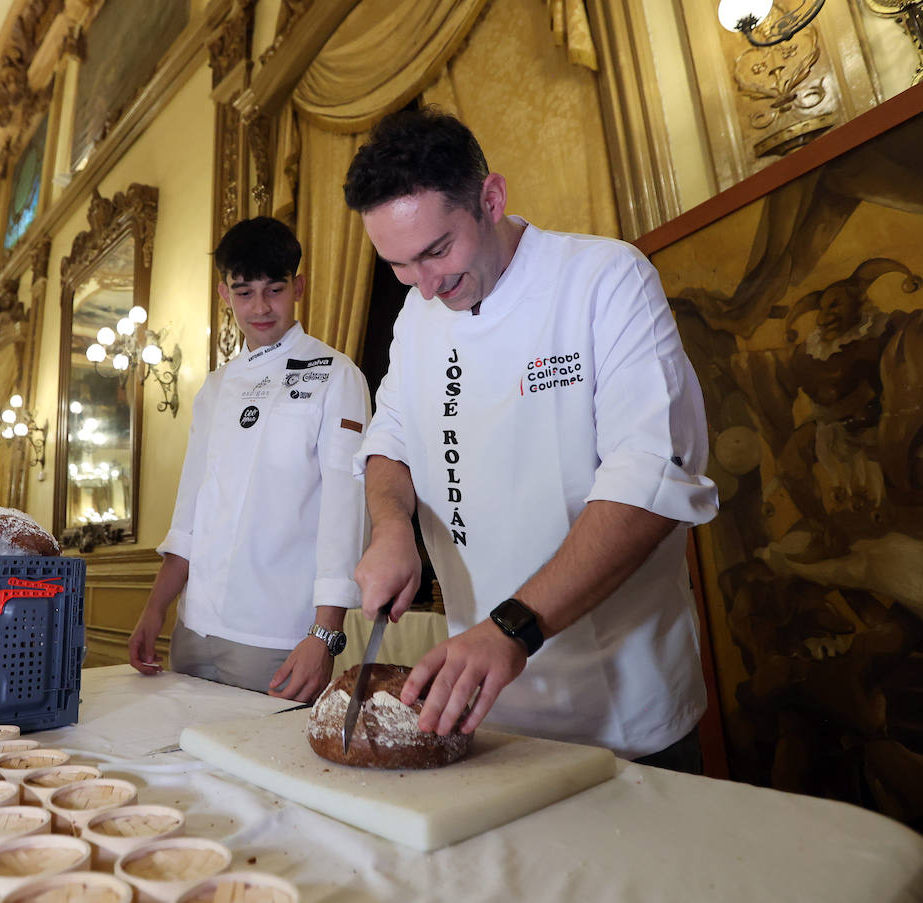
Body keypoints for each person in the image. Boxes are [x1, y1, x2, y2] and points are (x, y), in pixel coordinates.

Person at [343, 109, 719, 770]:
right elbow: (390, 440)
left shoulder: (604, 279)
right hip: (482, 714)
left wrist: (514, 626)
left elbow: (651, 480)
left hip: (621, 712)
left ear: (491, 197)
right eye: (399, 265)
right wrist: (389, 528)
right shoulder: (418, 313)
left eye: (437, 250)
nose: (426, 284)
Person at [127, 217, 371, 702]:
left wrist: (324, 635)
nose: (260, 308)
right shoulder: (215, 387)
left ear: (298, 287)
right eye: (244, 293)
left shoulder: (336, 376)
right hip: (194, 630)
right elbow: (190, 510)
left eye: (274, 290)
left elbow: (346, 515)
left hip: (278, 637)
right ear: (224, 294)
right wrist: (156, 608)